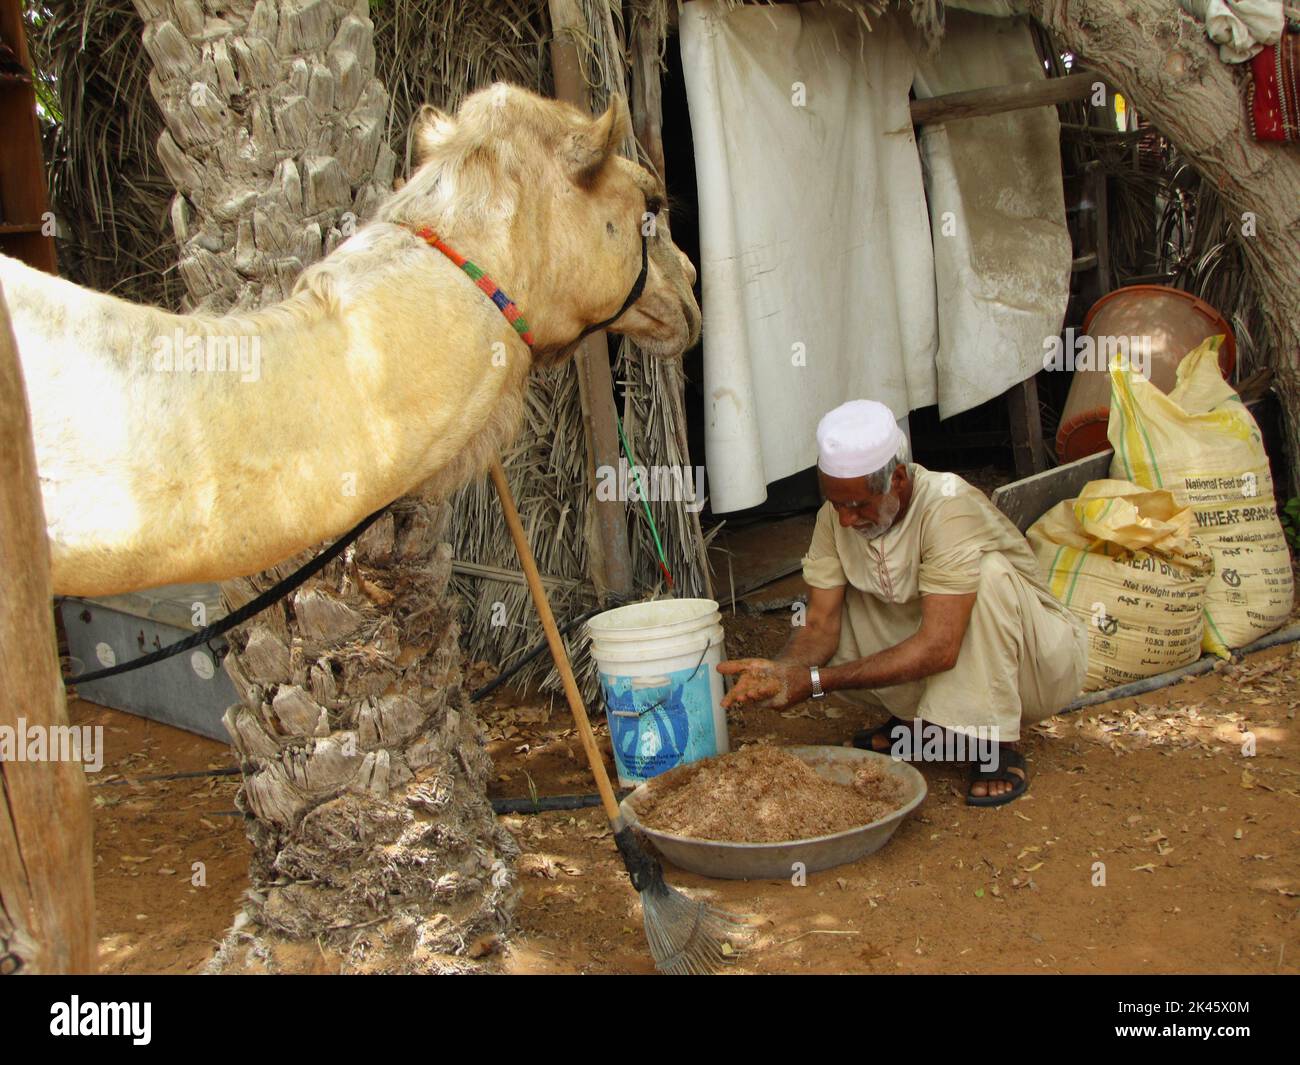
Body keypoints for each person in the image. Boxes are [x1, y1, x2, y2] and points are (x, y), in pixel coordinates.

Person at [717, 399, 1088, 806]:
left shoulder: (948, 506)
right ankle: (920, 724)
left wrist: (817, 683)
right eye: (837, 503)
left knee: (990, 576)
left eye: (858, 505)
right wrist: (785, 670)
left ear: (897, 478)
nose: (845, 519)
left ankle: (993, 741)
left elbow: (940, 647)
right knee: (849, 590)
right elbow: (820, 625)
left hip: (1036, 664)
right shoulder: (835, 519)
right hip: (939, 642)